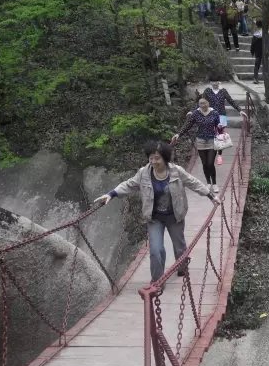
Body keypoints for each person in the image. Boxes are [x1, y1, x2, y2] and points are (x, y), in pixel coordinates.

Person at [95, 141, 220, 283]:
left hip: (175, 216)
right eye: (151, 158)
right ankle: (158, 281)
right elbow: (129, 184)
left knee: (180, 248)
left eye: (157, 158)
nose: (153, 161)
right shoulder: (144, 173)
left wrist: (211, 196)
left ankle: (182, 267)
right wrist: (111, 194)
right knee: (155, 250)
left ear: (165, 158)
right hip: (155, 218)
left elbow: (193, 182)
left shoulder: (176, 171)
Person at [172, 96, 224, 188]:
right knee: (204, 163)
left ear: (208, 103)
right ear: (198, 104)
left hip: (212, 140)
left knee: (210, 163)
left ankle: (215, 184)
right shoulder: (196, 113)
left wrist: (220, 127)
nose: (203, 105)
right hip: (200, 141)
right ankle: (208, 182)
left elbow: (218, 126)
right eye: (201, 103)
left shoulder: (214, 113)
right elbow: (188, 125)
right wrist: (178, 134)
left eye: (204, 103)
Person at [250, 20, 269, 84]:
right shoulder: (266, 33)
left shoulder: (255, 34)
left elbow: (253, 44)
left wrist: (252, 51)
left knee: (257, 65)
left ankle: (255, 78)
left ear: (256, 25)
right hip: (265, 52)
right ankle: (266, 79)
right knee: (265, 65)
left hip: (258, 52)